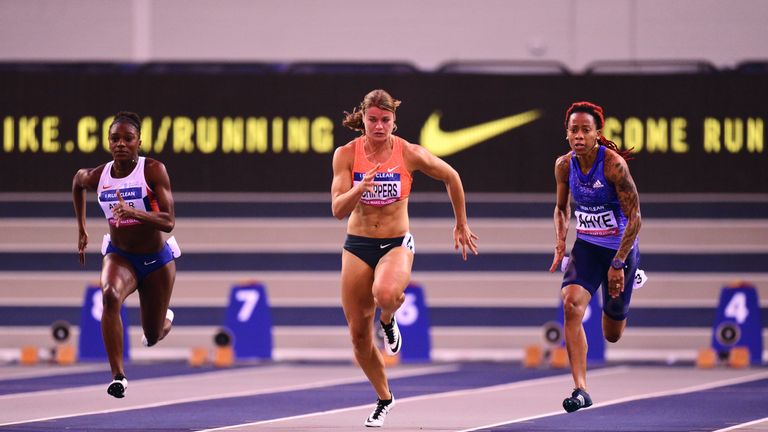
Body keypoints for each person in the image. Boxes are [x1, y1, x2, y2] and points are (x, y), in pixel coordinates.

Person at [331, 89, 478, 427]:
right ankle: (384, 398)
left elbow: (451, 176)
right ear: (363, 119)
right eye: (372, 120)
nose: (378, 126)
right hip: (357, 245)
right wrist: (358, 188)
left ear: (394, 121)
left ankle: (388, 319)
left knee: (385, 294)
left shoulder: (408, 153)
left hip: (396, 243)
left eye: (385, 120)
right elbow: (338, 209)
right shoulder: (346, 155)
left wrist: (461, 222)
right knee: (358, 337)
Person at [72, 111, 180, 399]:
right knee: (109, 295)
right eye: (115, 138)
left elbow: (169, 221)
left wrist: (134, 212)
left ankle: (164, 319)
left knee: (152, 335)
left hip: (155, 261)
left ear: (138, 142)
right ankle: (118, 376)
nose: (120, 144)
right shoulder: (100, 175)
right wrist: (82, 228)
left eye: (127, 139)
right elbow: (78, 182)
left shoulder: (153, 170)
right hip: (120, 256)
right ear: (108, 142)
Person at [549, 101, 642, 413]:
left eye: (585, 130)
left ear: (597, 133)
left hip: (619, 249)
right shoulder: (564, 166)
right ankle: (581, 388)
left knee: (611, 334)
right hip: (587, 246)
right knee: (570, 304)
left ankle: (631, 277)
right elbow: (561, 209)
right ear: (566, 133)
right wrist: (561, 242)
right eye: (573, 130)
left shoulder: (614, 166)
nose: (579, 135)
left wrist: (619, 263)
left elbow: (636, 218)